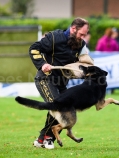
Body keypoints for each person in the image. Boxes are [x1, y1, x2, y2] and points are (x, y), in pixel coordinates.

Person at [28, 17, 90, 149]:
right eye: (81, 34)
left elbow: (84, 61)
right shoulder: (54, 37)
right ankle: (47, 138)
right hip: (45, 78)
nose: (83, 38)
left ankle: (43, 138)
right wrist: (42, 64)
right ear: (73, 29)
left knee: (67, 109)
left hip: (61, 83)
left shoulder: (81, 45)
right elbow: (34, 49)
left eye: (85, 35)